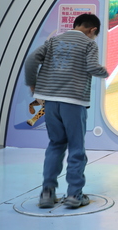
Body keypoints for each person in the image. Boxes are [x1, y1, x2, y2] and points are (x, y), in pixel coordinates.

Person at [24, 13, 110, 209]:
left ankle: (47, 193)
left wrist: (33, 84)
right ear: (93, 30)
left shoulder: (54, 41)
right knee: (76, 148)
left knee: (55, 145)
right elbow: (92, 67)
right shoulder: (89, 44)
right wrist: (104, 72)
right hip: (73, 101)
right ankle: (74, 195)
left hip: (50, 101)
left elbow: (31, 61)